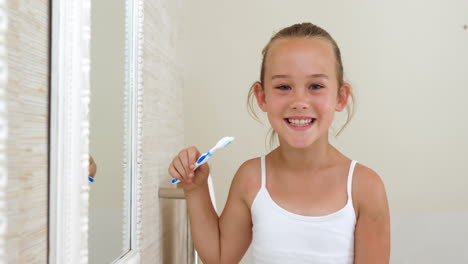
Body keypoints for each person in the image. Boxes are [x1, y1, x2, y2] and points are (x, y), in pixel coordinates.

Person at [168, 22, 390, 264]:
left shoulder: (365, 187)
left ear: (341, 97)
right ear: (262, 97)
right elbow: (219, 257)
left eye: (315, 86)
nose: (299, 101)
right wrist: (195, 188)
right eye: (284, 87)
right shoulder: (251, 178)